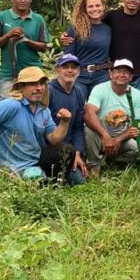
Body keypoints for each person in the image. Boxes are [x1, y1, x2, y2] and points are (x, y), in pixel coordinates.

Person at [0, 67, 75, 182]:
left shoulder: (44, 110)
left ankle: (51, 184)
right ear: (21, 87)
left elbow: (54, 140)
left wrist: (64, 122)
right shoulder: (10, 105)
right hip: (10, 166)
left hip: (35, 159)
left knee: (67, 151)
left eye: (41, 84)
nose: (39, 88)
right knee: (34, 185)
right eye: (33, 84)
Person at [0, 0, 50, 100]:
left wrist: (26, 40)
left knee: (35, 109)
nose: (23, 0)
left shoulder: (38, 19)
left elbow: (44, 46)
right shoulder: (1, 17)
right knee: (5, 110)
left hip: (33, 73)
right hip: (9, 74)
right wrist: (8, 35)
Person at [83, 59, 140, 173]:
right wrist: (105, 136)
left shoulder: (137, 94)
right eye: (118, 71)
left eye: (126, 72)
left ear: (131, 77)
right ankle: (94, 165)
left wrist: (118, 140)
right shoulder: (100, 89)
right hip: (100, 135)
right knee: (88, 130)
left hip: (122, 138)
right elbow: (88, 115)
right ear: (110, 74)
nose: (122, 74)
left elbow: (137, 125)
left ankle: (111, 160)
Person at [47, 54, 90, 184]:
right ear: (58, 70)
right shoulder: (48, 92)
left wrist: (77, 153)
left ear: (78, 72)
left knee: (80, 181)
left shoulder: (79, 93)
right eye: (65, 67)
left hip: (71, 147)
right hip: (50, 146)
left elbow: (78, 128)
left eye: (73, 67)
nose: (69, 70)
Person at [61, 0, 112, 97]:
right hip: (80, 76)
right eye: (90, 6)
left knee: (100, 111)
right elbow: (68, 57)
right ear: (85, 9)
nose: (94, 9)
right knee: (77, 108)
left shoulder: (108, 29)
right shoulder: (75, 29)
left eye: (98, 5)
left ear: (103, 7)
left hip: (102, 76)